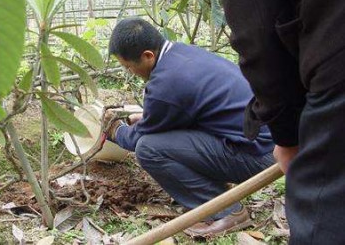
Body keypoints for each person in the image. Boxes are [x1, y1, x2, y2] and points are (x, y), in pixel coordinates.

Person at [188, 0, 345, 243]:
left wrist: (288, 137)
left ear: (145, 55)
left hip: (335, 51)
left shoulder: (165, 82)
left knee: (325, 215)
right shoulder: (189, 59)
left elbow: (258, 31)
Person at [105, 18, 275, 237]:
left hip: (257, 157)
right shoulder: (182, 54)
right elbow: (189, 109)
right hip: (270, 139)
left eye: (128, 66)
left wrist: (114, 129)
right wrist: (148, 117)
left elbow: (135, 139)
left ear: (148, 56)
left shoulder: (166, 83)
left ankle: (226, 212)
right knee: (156, 139)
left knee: (148, 149)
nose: (129, 71)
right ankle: (217, 193)